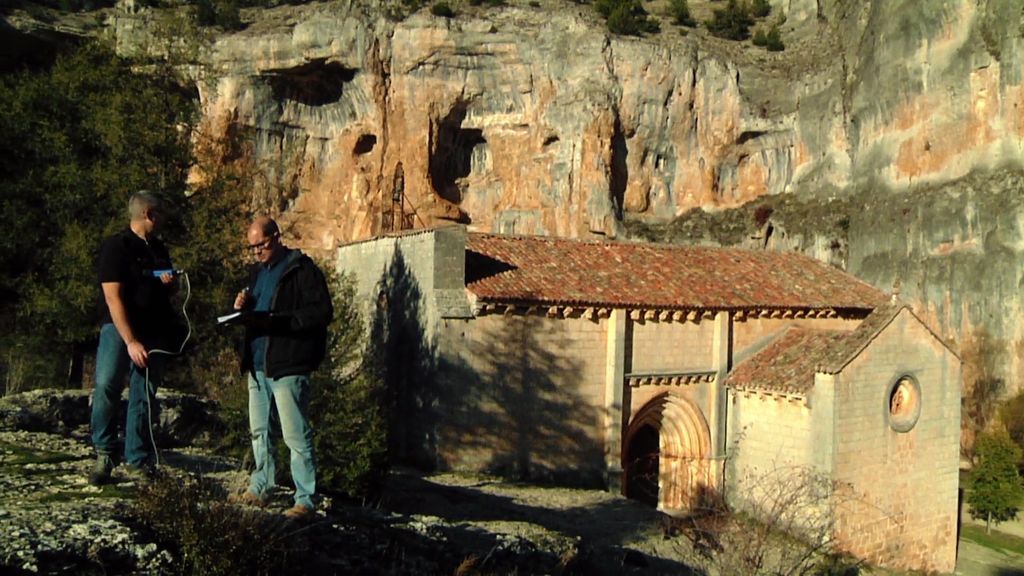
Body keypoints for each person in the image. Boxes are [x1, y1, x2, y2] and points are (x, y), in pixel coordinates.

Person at [230, 216, 333, 519]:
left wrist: (284, 321)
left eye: (260, 245)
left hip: (288, 363)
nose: (256, 252)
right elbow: (255, 310)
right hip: (259, 364)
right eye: (251, 248)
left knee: (295, 435)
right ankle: (261, 484)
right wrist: (241, 306)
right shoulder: (257, 273)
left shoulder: (302, 271)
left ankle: (306, 499)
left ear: (275, 237)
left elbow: (322, 312)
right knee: (260, 431)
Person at [90, 190, 178, 485]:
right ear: (148, 214)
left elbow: (166, 291)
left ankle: (136, 458)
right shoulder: (116, 247)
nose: (163, 220)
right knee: (107, 384)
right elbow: (113, 298)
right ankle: (104, 452)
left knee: (144, 395)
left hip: (154, 329)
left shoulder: (159, 249)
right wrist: (130, 341)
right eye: (160, 214)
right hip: (120, 328)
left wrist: (170, 283)